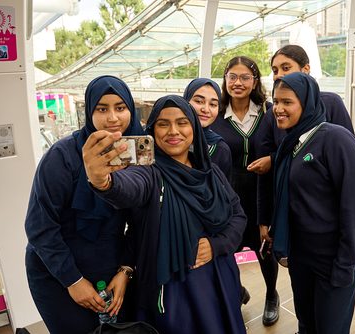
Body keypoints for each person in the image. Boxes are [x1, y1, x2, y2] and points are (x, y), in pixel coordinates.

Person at [83, 95, 247, 333]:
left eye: (182, 122)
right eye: (163, 123)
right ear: (152, 130)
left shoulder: (209, 172)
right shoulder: (150, 173)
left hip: (220, 277)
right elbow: (129, 189)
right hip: (174, 288)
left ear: (193, 127)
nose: (173, 131)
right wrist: (102, 180)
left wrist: (216, 245)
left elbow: (238, 215)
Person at [24, 75, 144, 334]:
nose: (112, 118)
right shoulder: (62, 156)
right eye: (102, 109)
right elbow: (39, 226)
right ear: (89, 112)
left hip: (110, 262)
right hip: (57, 269)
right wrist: (73, 281)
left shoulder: (138, 154)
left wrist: (126, 269)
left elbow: (141, 220)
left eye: (120, 108)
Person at [270, 72, 355, 334]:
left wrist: (345, 265)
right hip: (302, 257)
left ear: (308, 102)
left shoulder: (335, 139)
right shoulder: (291, 143)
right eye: (275, 101)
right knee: (307, 324)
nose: (278, 109)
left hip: (333, 259)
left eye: (287, 102)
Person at [210, 56, 280, 326]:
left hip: (262, 195)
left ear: (255, 82)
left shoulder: (270, 112)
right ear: (225, 80)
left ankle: (272, 295)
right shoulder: (215, 115)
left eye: (245, 77)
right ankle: (237, 291)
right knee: (227, 250)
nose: (238, 83)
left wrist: (271, 160)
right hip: (228, 196)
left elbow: (283, 148)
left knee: (265, 250)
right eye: (232, 77)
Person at [183, 78, 232, 179]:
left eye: (213, 104)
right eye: (199, 101)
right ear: (185, 102)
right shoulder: (170, 140)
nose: (205, 109)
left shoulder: (221, 150)